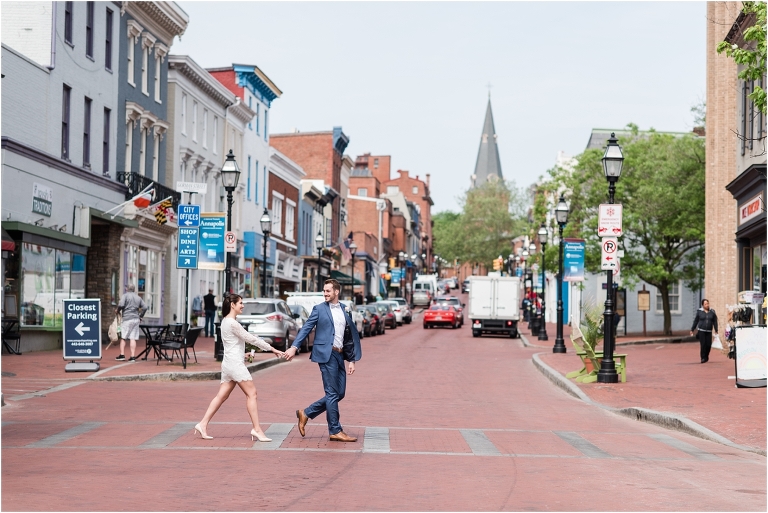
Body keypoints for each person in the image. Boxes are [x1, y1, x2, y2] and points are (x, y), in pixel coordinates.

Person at [194, 294, 285, 441]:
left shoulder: (225, 322)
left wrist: (244, 353)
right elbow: (250, 338)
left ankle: (202, 424)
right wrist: (272, 348)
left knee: (221, 396)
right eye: (241, 303)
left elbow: (232, 345)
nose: (242, 306)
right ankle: (257, 430)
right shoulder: (232, 323)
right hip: (234, 365)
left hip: (229, 362)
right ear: (232, 305)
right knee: (252, 394)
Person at [284, 279, 362, 442]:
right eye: (324, 291)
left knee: (339, 393)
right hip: (326, 354)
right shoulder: (319, 309)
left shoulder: (344, 309)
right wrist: (294, 346)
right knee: (332, 393)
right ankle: (335, 430)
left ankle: (306, 413)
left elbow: (348, 337)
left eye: (328, 291)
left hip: (340, 355)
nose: (325, 293)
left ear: (336, 292)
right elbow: (306, 328)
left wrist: (352, 360)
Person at [114, 284, 146, 362]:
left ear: (127, 289)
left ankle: (122, 355)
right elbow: (145, 307)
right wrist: (141, 316)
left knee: (123, 337)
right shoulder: (138, 298)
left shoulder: (125, 296)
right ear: (134, 290)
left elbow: (121, 304)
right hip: (136, 319)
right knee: (133, 338)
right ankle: (132, 356)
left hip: (127, 319)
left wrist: (117, 310)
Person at [690, 298, 719, 364]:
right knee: (703, 344)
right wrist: (692, 329)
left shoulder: (712, 311)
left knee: (708, 345)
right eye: (705, 304)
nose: (707, 305)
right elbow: (696, 321)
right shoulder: (699, 312)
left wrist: (716, 329)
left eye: (707, 303)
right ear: (702, 305)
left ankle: (706, 356)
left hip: (709, 331)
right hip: (701, 330)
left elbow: (715, 321)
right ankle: (703, 358)